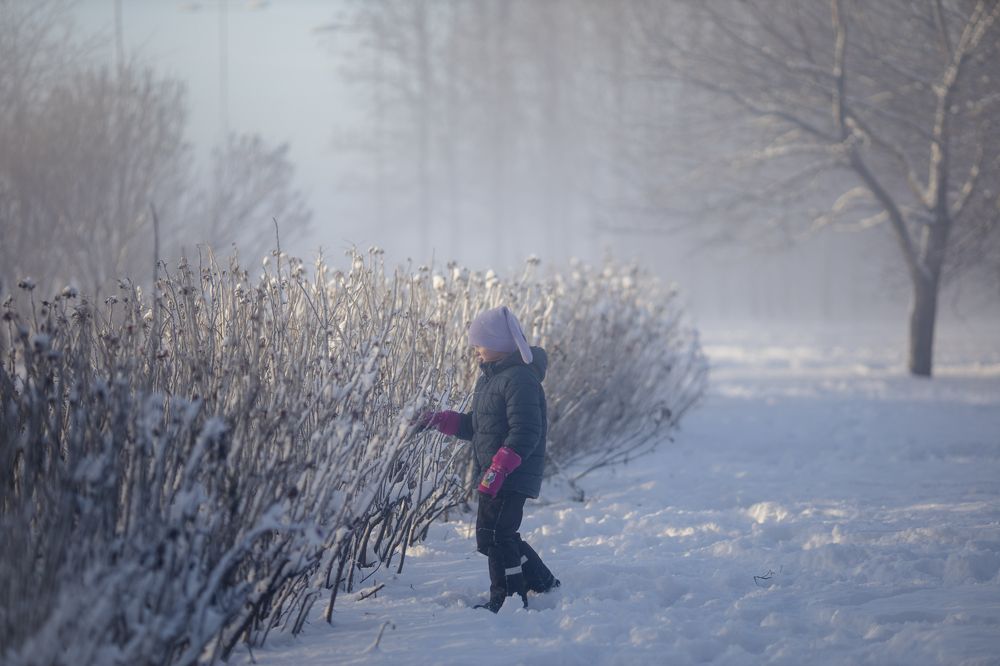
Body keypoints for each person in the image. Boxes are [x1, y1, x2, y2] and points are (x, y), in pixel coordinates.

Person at [420, 305, 559, 612]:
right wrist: (441, 420)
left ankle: (507, 598)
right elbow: (480, 427)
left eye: (480, 343)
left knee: (497, 537)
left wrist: (500, 468)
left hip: (510, 474)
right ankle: (542, 581)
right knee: (492, 538)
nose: (475, 350)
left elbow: (526, 431)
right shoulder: (490, 379)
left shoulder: (519, 379)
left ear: (500, 344)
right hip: (495, 472)